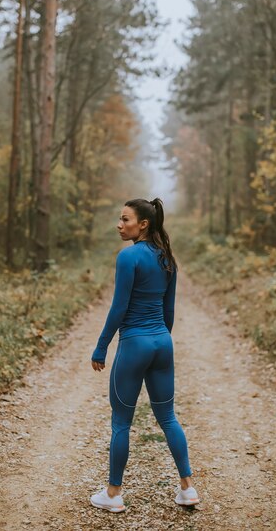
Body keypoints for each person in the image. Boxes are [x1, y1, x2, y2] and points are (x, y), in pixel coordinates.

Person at [90, 197, 200, 513]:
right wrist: (158, 340)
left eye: (125, 219)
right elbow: (169, 312)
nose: (119, 224)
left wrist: (102, 346)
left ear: (143, 224)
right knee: (168, 417)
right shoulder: (168, 258)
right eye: (119, 219)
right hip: (162, 343)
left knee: (121, 422)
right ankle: (188, 489)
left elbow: (119, 308)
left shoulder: (128, 257)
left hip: (135, 344)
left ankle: (113, 495)